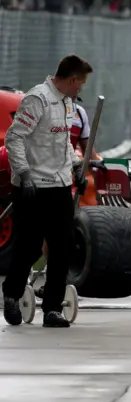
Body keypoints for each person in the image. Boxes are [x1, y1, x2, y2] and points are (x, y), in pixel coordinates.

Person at [2, 54, 93, 328]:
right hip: (32, 186)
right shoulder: (37, 99)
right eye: (81, 83)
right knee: (29, 247)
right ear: (72, 78)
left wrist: (76, 165)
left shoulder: (68, 102)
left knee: (61, 247)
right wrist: (24, 173)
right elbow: (14, 138)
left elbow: (63, 141)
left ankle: (52, 308)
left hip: (60, 185)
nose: (81, 89)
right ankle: (11, 295)